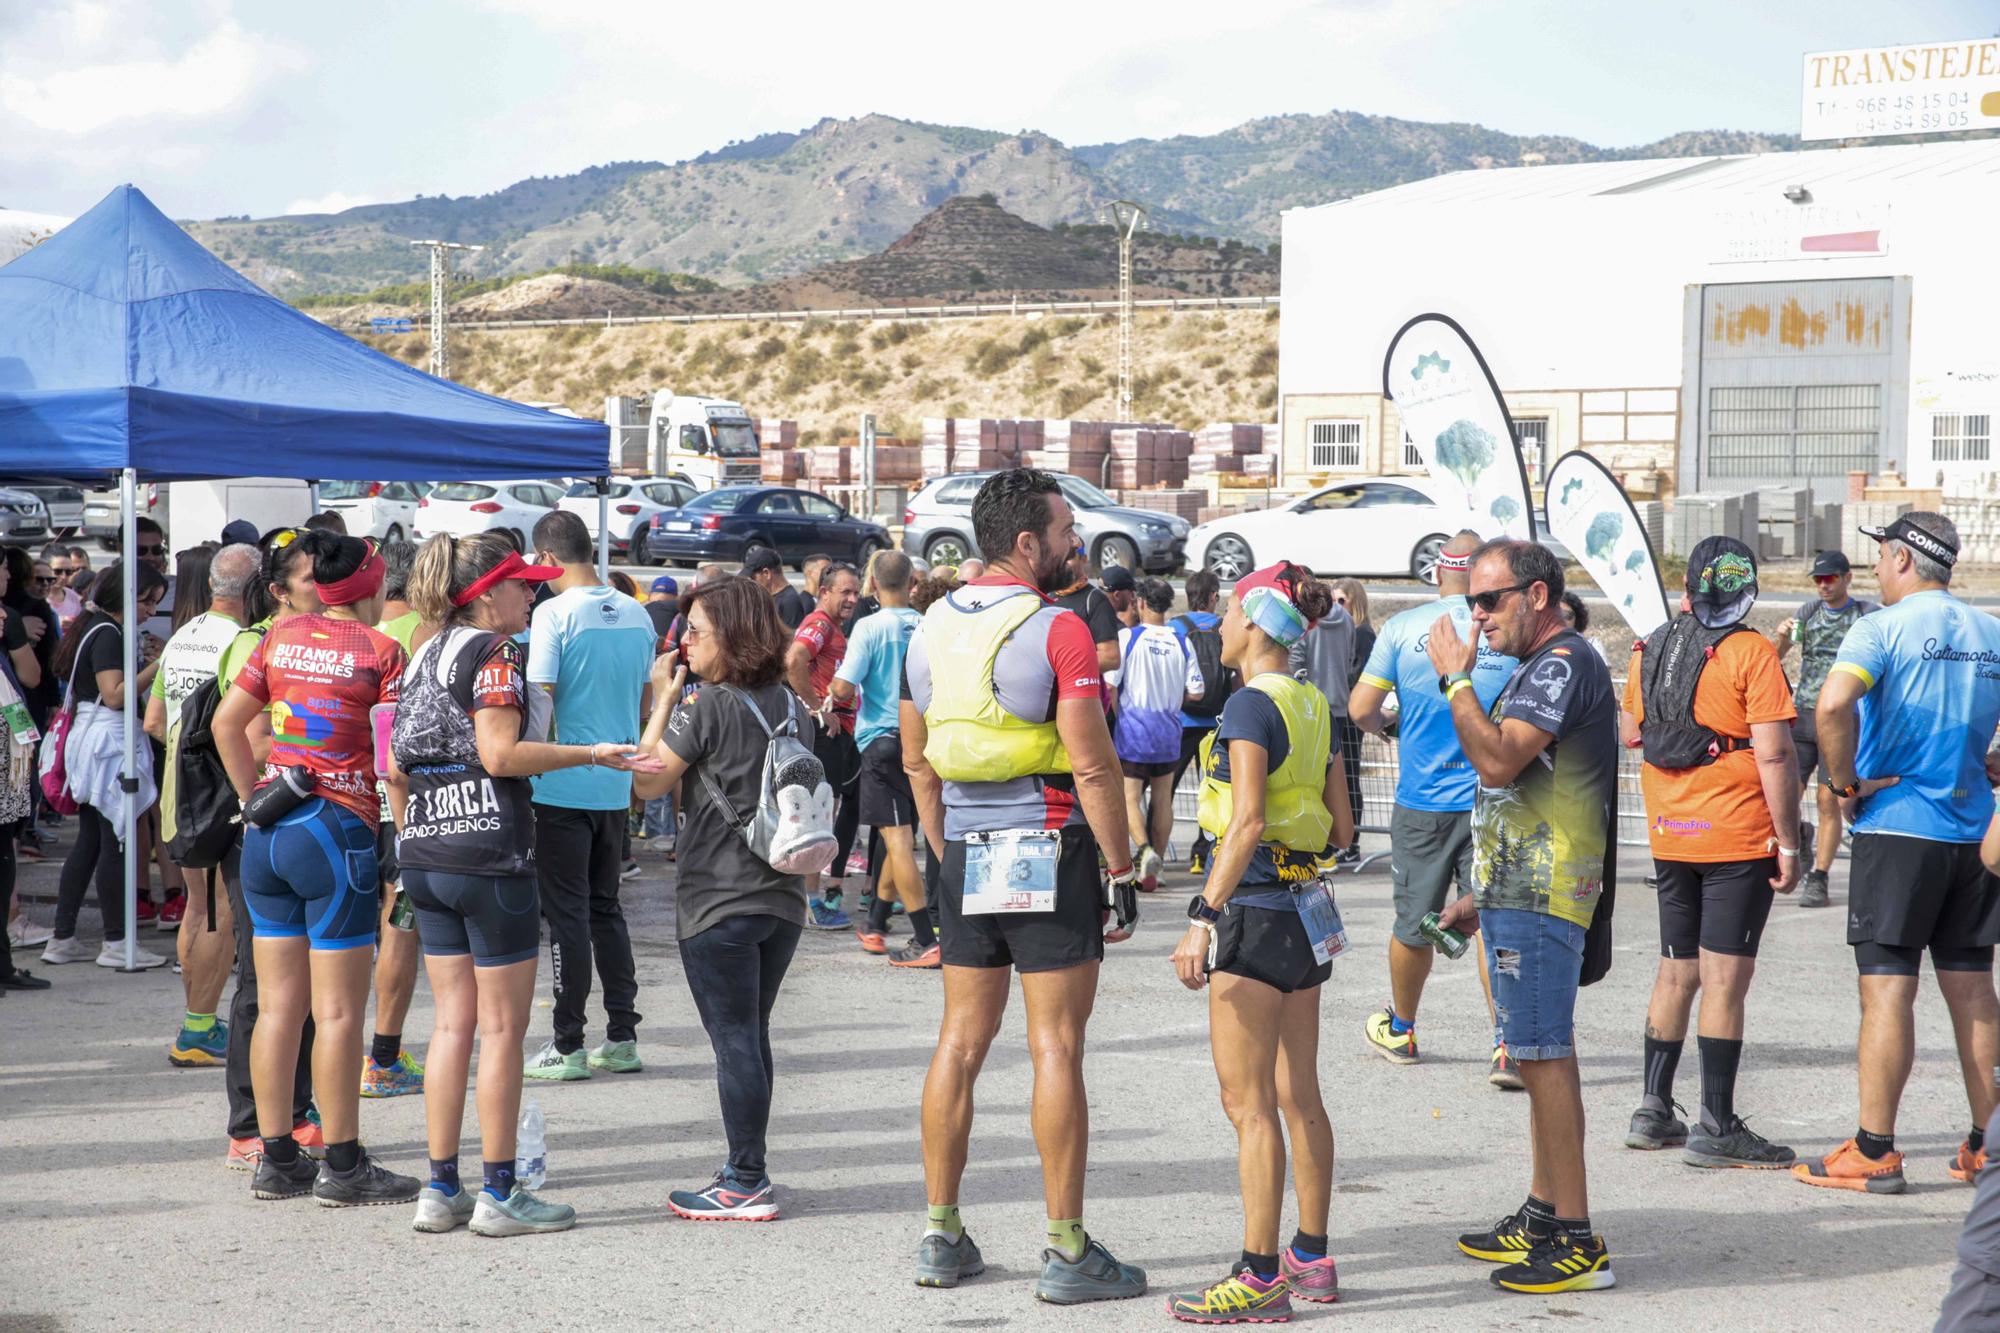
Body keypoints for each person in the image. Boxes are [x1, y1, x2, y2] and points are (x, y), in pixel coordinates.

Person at [901, 467, 1145, 1304]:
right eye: (1067, 529)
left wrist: (947, 854)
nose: (1077, 542)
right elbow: (1092, 763)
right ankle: (1066, 1247)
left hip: (965, 849)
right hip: (1049, 842)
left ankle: (941, 1231)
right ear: (1026, 542)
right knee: (1056, 1046)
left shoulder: (924, 627)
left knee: (959, 1043)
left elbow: (915, 761)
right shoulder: (1059, 628)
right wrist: (1121, 867)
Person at [395, 532, 651, 1236]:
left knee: (451, 1024)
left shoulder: (423, 648)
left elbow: (394, 762)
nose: (533, 593)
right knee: (503, 1027)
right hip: (487, 849)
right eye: (521, 585)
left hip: (425, 845)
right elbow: (501, 752)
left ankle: (439, 1184)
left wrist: (408, 838)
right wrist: (592, 751)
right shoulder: (497, 652)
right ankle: (500, 1190)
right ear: (486, 594)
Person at [1428, 538, 1618, 1294]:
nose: (1476, 615)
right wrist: (1485, 890)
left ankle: (1576, 1239)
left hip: (1546, 894)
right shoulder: (1540, 668)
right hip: (1522, 888)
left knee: (1543, 1056)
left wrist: (1454, 681)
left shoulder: (1565, 660)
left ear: (1536, 595)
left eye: (1490, 599)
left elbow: (1499, 760)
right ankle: (1545, 1212)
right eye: (1472, 600)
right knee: (1535, 1053)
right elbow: (1524, 790)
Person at [1165, 561, 1352, 1321]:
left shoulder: (1246, 706)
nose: (1224, 620)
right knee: (1298, 1091)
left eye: (1234, 608)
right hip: (1304, 909)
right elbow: (1341, 827)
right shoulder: (1314, 703)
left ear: (1255, 624)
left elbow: (1242, 821)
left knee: (1248, 1105)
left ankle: (1258, 1272)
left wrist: (1201, 915)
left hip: (1248, 907)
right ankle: (1312, 1254)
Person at [1794, 513, 2000, 1196]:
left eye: (1880, 553)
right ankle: (1986, 1145)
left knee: (1887, 989)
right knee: (1974, 990)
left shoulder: (1880, 627)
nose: (1875, 566)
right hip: (1974, 832)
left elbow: (1831, 705)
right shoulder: (1990, 629)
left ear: (1906, 559)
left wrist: (1842, 780)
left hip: (1900, 827)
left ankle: (1875, 1147)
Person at [212, 530, 418, 1206]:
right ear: (367, 583)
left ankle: (276, 1158)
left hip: (272, 828)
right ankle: (345, 1165)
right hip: (339, 832)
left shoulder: (277, 636)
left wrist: (254, 800)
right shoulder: (385, 651)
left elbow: (226, 724)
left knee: (277, 1007)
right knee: (336, 1014)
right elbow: (393, 760)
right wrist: (404, 837)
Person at [633, 576, 815, 1220]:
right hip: (783, 896)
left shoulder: (705, 705)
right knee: (750, 1033)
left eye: (697, 632)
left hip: (717, 897)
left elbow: (647, 786)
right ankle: (748, 1165)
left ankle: (745, 1178)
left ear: (731, 636)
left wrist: (661, 700)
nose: (685, 642)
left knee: (734, 1036)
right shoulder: (792, 703)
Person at [1619, 536, 1800, 1169]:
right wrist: (1791, 840)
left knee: (1677, 969)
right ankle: (1717, 1124)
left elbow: (1632, 731)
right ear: (1748, 588)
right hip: (1736, 835)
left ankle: (1652, 1107)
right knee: (1725, 977)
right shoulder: (1753, 652)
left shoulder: (1649, 647)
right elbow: (1775, 753)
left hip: (1673, 832)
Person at [1349, 531, 1518, 1084]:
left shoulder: (1401, 628)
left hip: (1421, 800)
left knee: (1412, 924)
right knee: (1494, 921)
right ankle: (1507, 1044)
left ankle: (1402, 1028)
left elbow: (1360, 709)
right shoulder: (1499, 628)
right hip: (1492, 797)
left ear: (1437, 572)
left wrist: (1391, 726)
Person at [523, 510, 657, 1081]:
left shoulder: (552, 613)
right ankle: (622, 1036)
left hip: (561, 780)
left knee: (567, 915)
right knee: (606, 909)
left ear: (548, 559)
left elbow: (540, 699)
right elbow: (647, 701)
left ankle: (568, 1042)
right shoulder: (637, 612)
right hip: (616, 780)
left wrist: (520, 760)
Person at [217, 532, 324, 1170]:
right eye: (313, 581)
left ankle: (294, 1111)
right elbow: (244, 737)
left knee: (309, 984)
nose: (327, 593)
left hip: (309, 827)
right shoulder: (261, 645)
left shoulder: (318, 643)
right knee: (262, 986)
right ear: (280, 591)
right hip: (264, 829)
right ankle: (250, 1125)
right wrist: (254, 805)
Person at [146, 542, 260, 1066]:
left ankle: (196, 1021)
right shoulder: (241, 642)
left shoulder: (182, 635)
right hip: (215, 789)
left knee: (198, 906)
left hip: (176, 788)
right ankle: (197, 1029)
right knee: (218, 912)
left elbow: (152, 722)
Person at [39, 559, 171, 971]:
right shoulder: (110, 633)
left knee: (91, 842)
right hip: (107, 745)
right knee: (116, 841)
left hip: (89, 740)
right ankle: (116, 940)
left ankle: (63, 936)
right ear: (125, 596)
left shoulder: (93, 627)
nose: (151, 611)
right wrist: (160, 666)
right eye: (148, 602)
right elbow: (114, 696)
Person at [829, 550, 937, 966]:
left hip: (882, 739)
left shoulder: (870, 627)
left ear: (873, 584)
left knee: (897, 841)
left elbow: (843, 687)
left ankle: (925, 938)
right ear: (912, 583)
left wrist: (835, 692)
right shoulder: (928, 625)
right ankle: (875, 923)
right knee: (902, 838)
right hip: (924, 741)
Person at [1771, 550, 1878, 910]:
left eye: (1830, 578)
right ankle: (1800, 835)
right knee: (1783, 793)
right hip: (1802, 713)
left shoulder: (1867, 615)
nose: (1823, 585)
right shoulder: (1807, 613)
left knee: (1829, 799)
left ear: (1848, 578)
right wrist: (1783, 637)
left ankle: (1818, 875)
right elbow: (1774, 659)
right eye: (1818, 579)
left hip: (1844, 717)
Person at [362, 538, 425, 1098]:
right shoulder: (423, 637)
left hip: (346, 801)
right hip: (402, 806)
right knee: (400, 925)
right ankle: (383, 1055)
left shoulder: (360, 636)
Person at [786, 561, 862, 930]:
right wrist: (818, 709)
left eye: (856, 592)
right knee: (817, 817)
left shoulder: (832, 627)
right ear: (825, 592)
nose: (851, 598)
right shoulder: (819, 624)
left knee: (819, 815)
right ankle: (812, 903)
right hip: (822, 735)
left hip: (833, 733)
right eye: (844, 591)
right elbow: (794, 658)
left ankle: (806, 900)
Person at [1114, 578, 1203, 893]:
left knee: (1129, 798)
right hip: (1169, 729)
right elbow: (1196, 691)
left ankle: (1143, 852)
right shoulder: (1182, 641)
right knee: (1163, 798)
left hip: (1133, 730)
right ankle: (1158, 867)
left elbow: (1112, 685)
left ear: (1139, 603)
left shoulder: (1129, 638)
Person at [0, 549, 47, 993]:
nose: (7, 574)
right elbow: (31, 677)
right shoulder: (7, 618)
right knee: (2, 852)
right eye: (1, 567)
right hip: (5, 746)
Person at [1286, 586, 1356, 859]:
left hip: (1309, 708)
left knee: (1308, 779)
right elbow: (1350, 660)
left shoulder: (1304, 622)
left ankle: (1316, 843)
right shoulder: (1347, 619)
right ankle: (1336, 846)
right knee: (1339, 779)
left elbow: (1295, 662)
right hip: (1338, 704)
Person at [1170, 571, 1230, 875]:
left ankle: (1152, 852)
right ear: (1214, 596)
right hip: (1216, 722)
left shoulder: (1175, 627)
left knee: (1165, 788)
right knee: (1214, 790)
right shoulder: (1223, 628)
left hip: (1181, 719)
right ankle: (1202, 853)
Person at [1051, 554, 1122, 678]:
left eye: (1069, 557)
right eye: (1059, 556)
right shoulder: (1046, 595)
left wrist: (1058, 668)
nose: (1063, 562)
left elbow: (1111, 658)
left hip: (1078, 691)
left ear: (1083, 558)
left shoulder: (1095, 600)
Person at [743, 547, 811, 629]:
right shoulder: (767, 597)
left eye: (753, 578)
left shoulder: (790, 602)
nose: (752, 582)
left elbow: (791, 639)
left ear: (766, 573)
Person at [44, 545, 84, 628]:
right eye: (57, 571)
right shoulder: (35, 598)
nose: (63, 576)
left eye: (68, 571)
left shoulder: (74, 597)